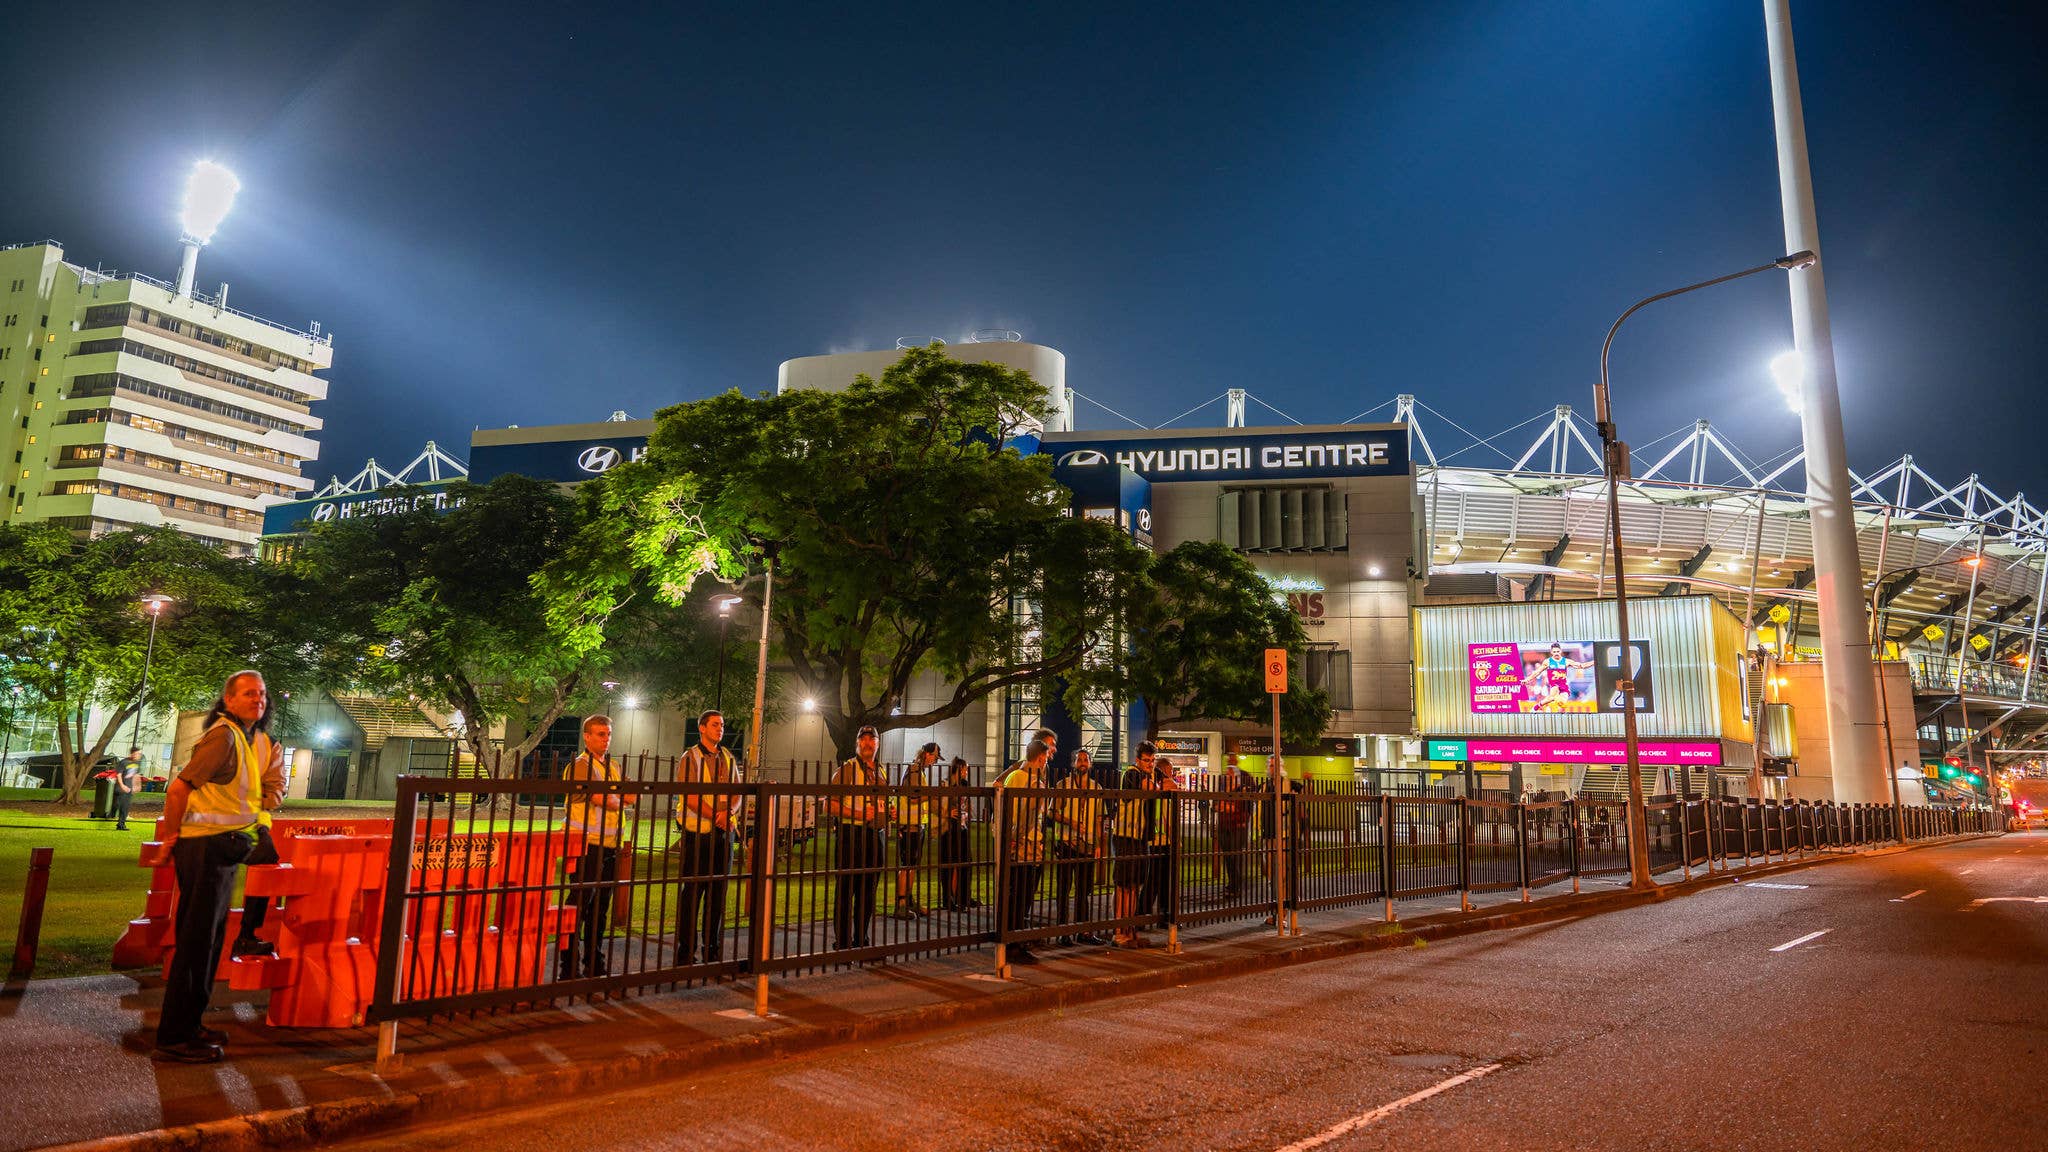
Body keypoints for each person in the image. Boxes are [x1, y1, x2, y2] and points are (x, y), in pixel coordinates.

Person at [143, 670, 278, 1063]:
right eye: (250, 693)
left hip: (221, 851)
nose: (259, 700)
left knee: (210, 942)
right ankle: (173, 1039)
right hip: (204, 851)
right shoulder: (224, 737)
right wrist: (171, 837)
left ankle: (191, 1025)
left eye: (263, 694)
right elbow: (177, 788)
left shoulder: (245, 738)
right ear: (228, 699)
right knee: (196, 944)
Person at [560, 714, 636, 979]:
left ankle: (595, 962)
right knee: (579, 906)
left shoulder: (613, 766)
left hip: (610, 845)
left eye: (608, 734)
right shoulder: (580, 765)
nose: (606, 739)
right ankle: (568, 965)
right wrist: (618, 797)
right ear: (587, 736)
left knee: (600, 908)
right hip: (586, 844)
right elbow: (607, 800)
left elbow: (631, 795)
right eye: (601, 734)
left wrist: (618, 797)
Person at [674, 709, 736, 967]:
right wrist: (716, 815)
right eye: (714, 725)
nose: (719, 729)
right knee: (692, 894)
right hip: (698, 834)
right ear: (701, 728)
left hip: (723, 835)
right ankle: (686, 952)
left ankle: (713, 950)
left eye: (721, 725)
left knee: (717, 895)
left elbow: (738, 791)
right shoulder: (691, 758)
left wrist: (729, 812)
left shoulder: (728, 757)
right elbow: (689, 796)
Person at [828, 726, 889, 951]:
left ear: (877, 744)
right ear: (856, 744)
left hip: (876, 836)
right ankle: (843, 941)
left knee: (868, 892)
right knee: (846, 889)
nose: (867, 744)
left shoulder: (881, 772)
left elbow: (881, 803)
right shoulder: (846, 770)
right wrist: (859, 814)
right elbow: (830, 805)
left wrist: (887, 813)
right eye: (862, 740)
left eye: (871, 739)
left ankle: (861, 938)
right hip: (851, 835)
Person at [998, 737, 1052, 965]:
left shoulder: (1014, 776)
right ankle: (1015, 943)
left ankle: (1012, 939)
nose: (1047, 760)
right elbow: (1027, 816)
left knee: (1015, 894)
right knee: (1022, 895)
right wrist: (1018, 839)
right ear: (1041, 757)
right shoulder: (1030, 780)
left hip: (1015, 841)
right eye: (1047, 757)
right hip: (1025, 844)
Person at [1050, 747, 1106, 946]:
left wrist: (1099, 844)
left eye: (1086, 759)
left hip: (1088, 845)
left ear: (1090, 764)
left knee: (1084, 890)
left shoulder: (1096, 788)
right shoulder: (1062, 785)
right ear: (1073, 764)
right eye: (1079, 759)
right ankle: (1063, 932)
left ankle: (1084, 931)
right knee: (1064, 889)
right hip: (1067, 843)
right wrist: (1070, 822)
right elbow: (1052, 812)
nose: (1082, 762)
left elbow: (1099, 820)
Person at [1110, 741, 1162, 948]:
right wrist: (1157, 783)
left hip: (1140, 837)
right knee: (1123, 885)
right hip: (1126, 835)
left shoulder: (1150, 774)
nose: (1150, 764)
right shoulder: (1131, 773)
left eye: (1152, 760)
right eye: (1146, 760)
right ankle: (1118, 932)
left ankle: (1130, 929)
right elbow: (1151, 788)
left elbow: (1170, 786)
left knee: (1134, 886)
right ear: (1137, 760)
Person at [892, 743, 938, 920]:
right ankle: (902, 904)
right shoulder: (915, 770)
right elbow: (913, 798)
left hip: (916, 824)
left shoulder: (919, 771)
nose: (934, 760)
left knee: (911, 865)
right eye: (934, 756)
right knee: (907, 865)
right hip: (909, 824)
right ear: (927, 754)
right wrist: (933, 794)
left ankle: (908, 900)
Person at [936, 756, 978, 912]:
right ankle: (948, 899)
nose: (966, 771)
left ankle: (963, 896)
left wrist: (967, 812)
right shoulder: (946, 784)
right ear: (958, 768)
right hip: (949, 828)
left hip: (962, 826)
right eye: (965, 768)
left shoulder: (965, 784)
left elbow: (966, 803)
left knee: (966, 862)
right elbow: (937, 803)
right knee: (948, 864)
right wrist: (947, 812)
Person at [1215, 767, 1253, 899]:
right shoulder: (1224, 791)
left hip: (1237, 829)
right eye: (1226, 775)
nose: (1227, 777)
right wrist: (1222, 807)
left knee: (1235, 858)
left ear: (1236, 777)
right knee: (1227, 858)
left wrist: (1229, 808)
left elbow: (1247, 812)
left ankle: (1237, 887)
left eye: (1229, 775)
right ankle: (1231, 883)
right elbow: (1215, 806)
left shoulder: (1242, 791)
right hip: (1224, 828)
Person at [112, 747, 143, 831]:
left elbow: (136, 775)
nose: (138, 755)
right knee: (119, 805)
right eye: (137, 754)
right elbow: (118, 775)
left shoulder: (137, 763)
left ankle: (121, 824)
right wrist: (122, 786)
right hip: (121, 788)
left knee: (125, 806)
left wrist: (138, 785)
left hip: (129, 788)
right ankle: (113, 816)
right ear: (132, 754)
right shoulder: (123, 762)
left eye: (139, 754)